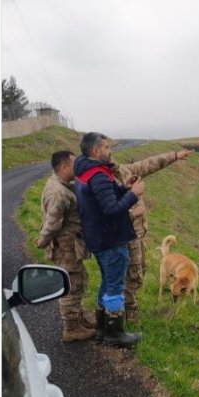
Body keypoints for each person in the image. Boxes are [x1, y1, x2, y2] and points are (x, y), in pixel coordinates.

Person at [73, 132, 145, 348]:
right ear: (96, 151)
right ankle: (115, 333)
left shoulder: (86, 172)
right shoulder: (98, 175)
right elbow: (111, 209)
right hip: (110, 240)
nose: (110, 150)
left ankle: (102, 328)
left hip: (99, 238)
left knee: (106, 281)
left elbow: (103, 198)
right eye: (106, 147)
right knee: (115, 285)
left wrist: (124, 188)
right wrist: (134, 195)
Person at [114, 148, 191, 321]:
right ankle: (126, 316)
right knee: (127, 276)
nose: (109, 152)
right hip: (123, 237)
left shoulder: (123, 170)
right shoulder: (102, 180)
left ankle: (126, 311)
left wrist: (175, 156)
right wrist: (134, 212)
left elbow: (148, 164)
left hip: (136, 235)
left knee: (138, 272)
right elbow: (107, 213)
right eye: (105, 148)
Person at [34, 150, 95, 342]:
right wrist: (42, 241)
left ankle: (77, 318)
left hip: (70, 245)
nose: (77, 167)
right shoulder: (59, 193)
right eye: (73, 164)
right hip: (66, 248)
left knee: (78, 280)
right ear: (63, 166)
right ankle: (71, 328)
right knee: (72, 285)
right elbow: (52, 223)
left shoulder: (60, 185)